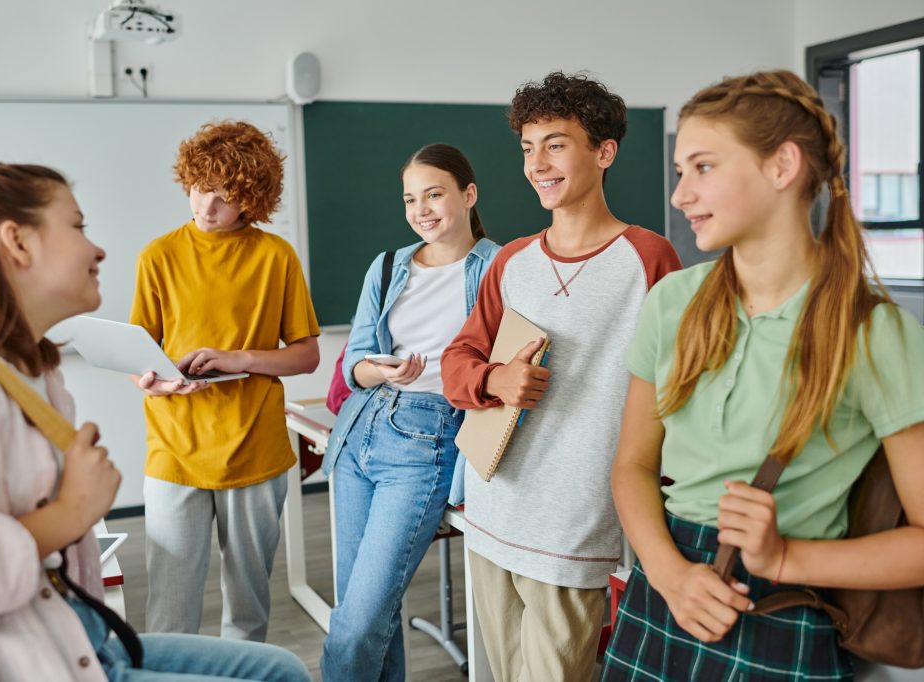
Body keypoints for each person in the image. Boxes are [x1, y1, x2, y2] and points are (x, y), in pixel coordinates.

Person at [0, 161, 311, 681]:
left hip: (73, 635)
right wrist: (73, 510)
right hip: (29, 656)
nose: (98, 250)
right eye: (77, 226)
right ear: (17, 243)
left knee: (279, 668)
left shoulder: (34, 365)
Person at [601, 69, 924, 681]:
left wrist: (785, 556)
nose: (679, 195)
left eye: (702, 168)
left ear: (782, 166)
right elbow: (632, 466)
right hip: (664, 590)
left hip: (782, 608)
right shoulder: (672, 301)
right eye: (679, 172)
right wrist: (671, 578)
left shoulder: (875, 334)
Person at [440, 72, 682, 682]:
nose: (536, 163)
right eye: (527, 147)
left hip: (577, 519)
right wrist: (495, 380)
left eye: (555, 144)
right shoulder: (510, 261)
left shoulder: (650, 259)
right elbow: (458, 361)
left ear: (604, 152)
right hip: (493, 507)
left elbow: (681, 386)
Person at [129, 121, 320, 642]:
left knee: (247, 608)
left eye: (222, 195)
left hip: (254, 448)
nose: (205, 206)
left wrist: (237, 358)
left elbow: (306, 356)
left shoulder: (275, 256)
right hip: (174, 449)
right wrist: (154, 381)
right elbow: (138, 358)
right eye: (198, 188)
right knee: (170, 611)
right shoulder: (158, 256)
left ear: (250, 199)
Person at [318, 144, 500, 681]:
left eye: (434, 194)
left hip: (428, 440)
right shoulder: (389, 264)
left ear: (468, 195)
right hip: (362, 432)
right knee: (369, 613)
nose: (421, 209)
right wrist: (381, 370)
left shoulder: (498, 267)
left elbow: (502, 365)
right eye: (410, 199)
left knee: (356, 623)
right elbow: (353, 361)